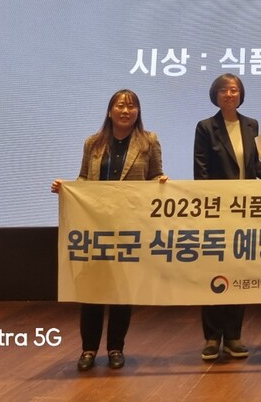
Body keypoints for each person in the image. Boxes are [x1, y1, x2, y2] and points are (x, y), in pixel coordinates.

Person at [50, 88, 166, 372]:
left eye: (131, 106)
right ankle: (88, 349)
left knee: (121, 292)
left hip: (129, 226)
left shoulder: (149, 141)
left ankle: (116, 348)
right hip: (95, 226)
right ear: (109, 111)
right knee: (92, 290)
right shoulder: (93, 142)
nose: (126, 111)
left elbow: (154, 176)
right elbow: (83, 178)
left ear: (138, 112)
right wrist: (67, 188)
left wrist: (161, 181)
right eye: (120, 106)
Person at [193, 73, 261, 361]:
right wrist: (212, 208)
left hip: (245, 211)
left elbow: (255, 167)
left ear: (241, 94)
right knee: (214, 273)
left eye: (234, 89)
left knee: (239, 273)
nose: (230, 94)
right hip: (217, 212)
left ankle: (233, 336)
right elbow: (201, 171)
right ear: (215, 95)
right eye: (224, 90)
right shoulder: (206, 127)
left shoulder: (251, 125)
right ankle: (212, 337)